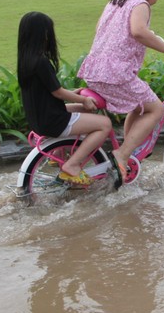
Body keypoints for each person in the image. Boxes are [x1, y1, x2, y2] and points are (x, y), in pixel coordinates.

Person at [78, 0, 164, 184]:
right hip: (115, 73)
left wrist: (149, 35)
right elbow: (137, 31)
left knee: (138, 106)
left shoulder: (115, 1)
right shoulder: (140, 4)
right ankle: (123, 154)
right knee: (155, 109)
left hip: (95, 70)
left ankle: (130, 152)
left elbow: (105, 29)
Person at [17, 11, 112, 187]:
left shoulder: (26, 61)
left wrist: (75, 94)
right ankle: (72, 165)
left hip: (40, 117)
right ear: (43, 34)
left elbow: (49, 90)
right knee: (104, 124)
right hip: (53, 120)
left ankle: (61, 153)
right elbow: (58, 93)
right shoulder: (41, 62)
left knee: (82, 110)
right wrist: (83, 99)